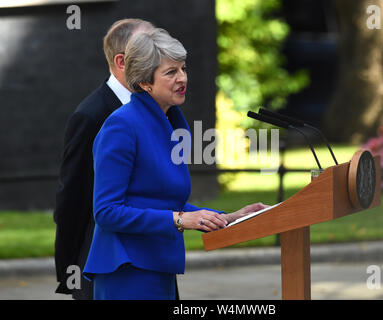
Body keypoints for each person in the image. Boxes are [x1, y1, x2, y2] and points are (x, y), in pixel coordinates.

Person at [82, 28, 268, 300]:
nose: (182, 78)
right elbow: (107, 211)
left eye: (183, 69)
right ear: (145, 82)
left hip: (158, 265)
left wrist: (226, 217)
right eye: (171, 72)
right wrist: (181, 220)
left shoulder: (169, 123)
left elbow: (164, 201)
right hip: (127, 269)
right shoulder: (121, 126)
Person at [53, 18, 154, 300]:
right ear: (122, 62)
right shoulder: (92, 115)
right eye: (150, 49)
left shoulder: (155, 110)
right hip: (105, 264)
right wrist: (72, 272)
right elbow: (72, 197)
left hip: (152, 259)